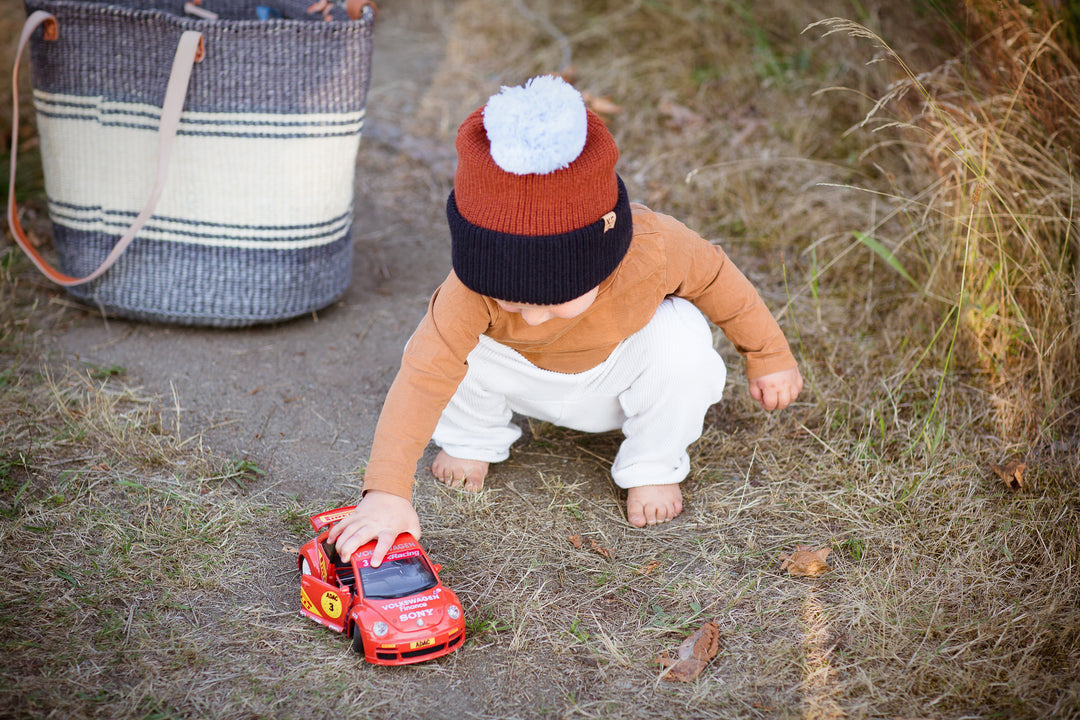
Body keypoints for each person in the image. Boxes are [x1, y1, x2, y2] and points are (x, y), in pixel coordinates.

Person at [329, 75, 802, 565]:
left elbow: (720, 282)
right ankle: (473, 437)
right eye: (511, 302)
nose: (532, 317)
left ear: (605, 256)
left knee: (684, 340)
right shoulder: (468, 292)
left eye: (553, 301)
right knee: (431, 349)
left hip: (620, 374)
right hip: (520, 377)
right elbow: (424, 377)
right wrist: (386, 491)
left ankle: (653, 461)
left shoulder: (655, 248)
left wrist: (768, 355)